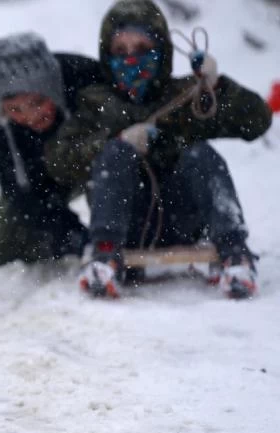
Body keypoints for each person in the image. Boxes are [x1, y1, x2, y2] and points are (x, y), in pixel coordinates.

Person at [45, 0, 272, 299]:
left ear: (161, 50)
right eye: (121, 51)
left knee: (200, 153)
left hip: (182, 217)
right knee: (116, 154)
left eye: (141, 48)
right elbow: (58, 161)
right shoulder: (95, 103)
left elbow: (256, 121)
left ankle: (234, 252)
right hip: (126, 224)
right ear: (107, 54)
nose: (130, 59)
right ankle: (104, 257)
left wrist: (217, 88)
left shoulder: (185, 95)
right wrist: (115, 143)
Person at [0, 33, 108, 269]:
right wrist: (72, 234)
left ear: (52, 90)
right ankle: (52, 248)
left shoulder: (88, 80)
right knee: (0, 257)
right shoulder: (3, 128)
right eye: (15, 109)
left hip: (95, 162)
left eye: (37, 103)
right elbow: (20, 193)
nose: (30, 117)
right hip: (44, 178)